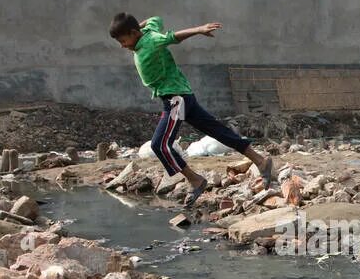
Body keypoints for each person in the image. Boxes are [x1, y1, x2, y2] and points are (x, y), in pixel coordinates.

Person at [110, 12, 275, 206]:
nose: (123, 46)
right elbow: (156, 18)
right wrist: (139, 26)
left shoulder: (152, 40)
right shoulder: (146, 31)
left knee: (160, 145)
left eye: (124, 40)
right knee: (217, 130)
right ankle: (261, 162)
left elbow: (172, 37)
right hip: (182, 95)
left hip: (175, 99)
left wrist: (198, 30)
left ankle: (196, 180)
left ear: (133, 33)